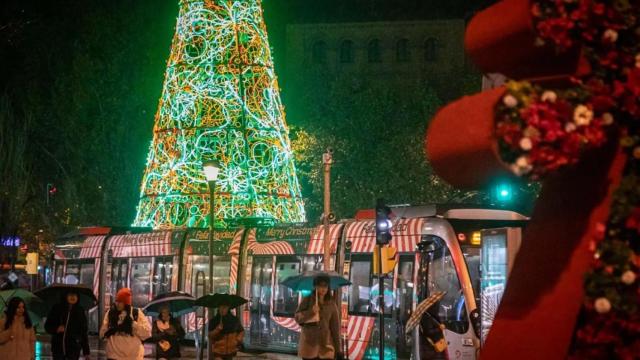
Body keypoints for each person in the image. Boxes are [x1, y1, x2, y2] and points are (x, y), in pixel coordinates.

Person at [295, 276, 341, 360]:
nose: (323, 288)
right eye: (320, 285)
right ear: (315, 286)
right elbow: (297, 318)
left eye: (326, 286)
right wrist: (311, 312)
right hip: (309, 348)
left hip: (326, 348)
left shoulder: (332, 304)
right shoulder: (307, 300)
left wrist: (339, 350)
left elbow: (335, 328)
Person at [100, 288, 152, 360]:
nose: (117, 304)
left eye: (120, 302)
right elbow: (102, 335)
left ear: (126, 303)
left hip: (134, 357)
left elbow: (147, 333)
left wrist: (133, 324)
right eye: (117, 301)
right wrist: (111, 330)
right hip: (114, 356)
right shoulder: (110, 313)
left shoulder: (136, 313)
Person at [45, 290, 91, 360]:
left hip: (73, 349)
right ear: (65, 295)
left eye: (75, 295)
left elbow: (83, 332)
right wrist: (56, 329)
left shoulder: (80, 311)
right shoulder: (57, 308)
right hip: (58, 349)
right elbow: (47, 326)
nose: (73, 297)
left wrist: (86, 352)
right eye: (70, 294)